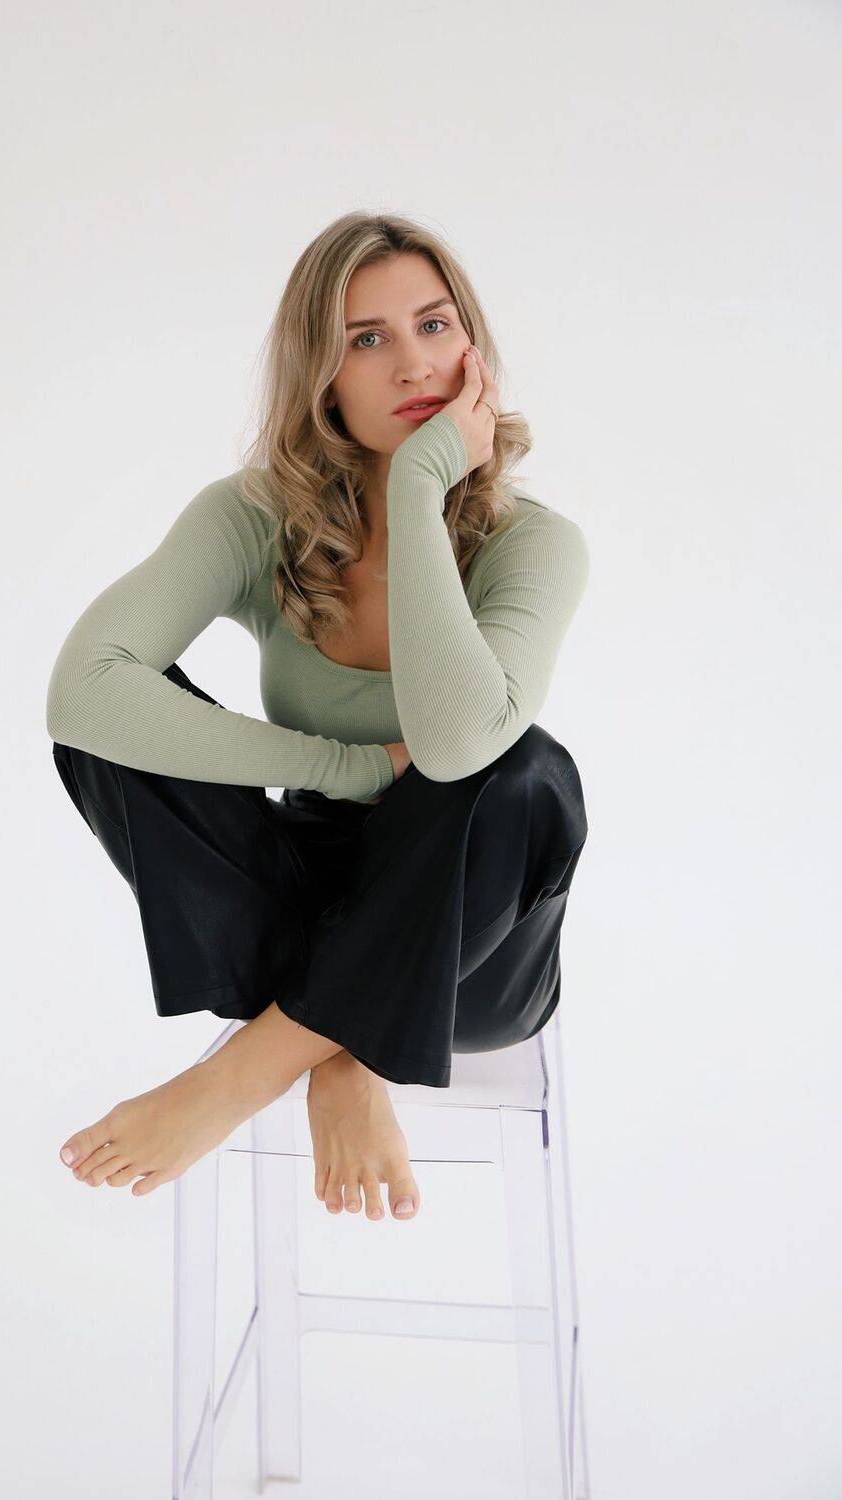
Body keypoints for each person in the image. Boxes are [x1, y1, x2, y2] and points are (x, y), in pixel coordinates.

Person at [46, 211, 590, 1220]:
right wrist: (351, 768)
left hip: (474, 958)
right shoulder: (257, 517)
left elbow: (456, 749)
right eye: (366, 339)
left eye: (434, 325)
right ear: (321, 375)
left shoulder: (534, 545)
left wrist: (419, 489)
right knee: (115, 731)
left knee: (524, 771)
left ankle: (242, 1077)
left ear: (473, 348)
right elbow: (81, 689)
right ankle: (339, 1047)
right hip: (303, 896)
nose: (412, 364)